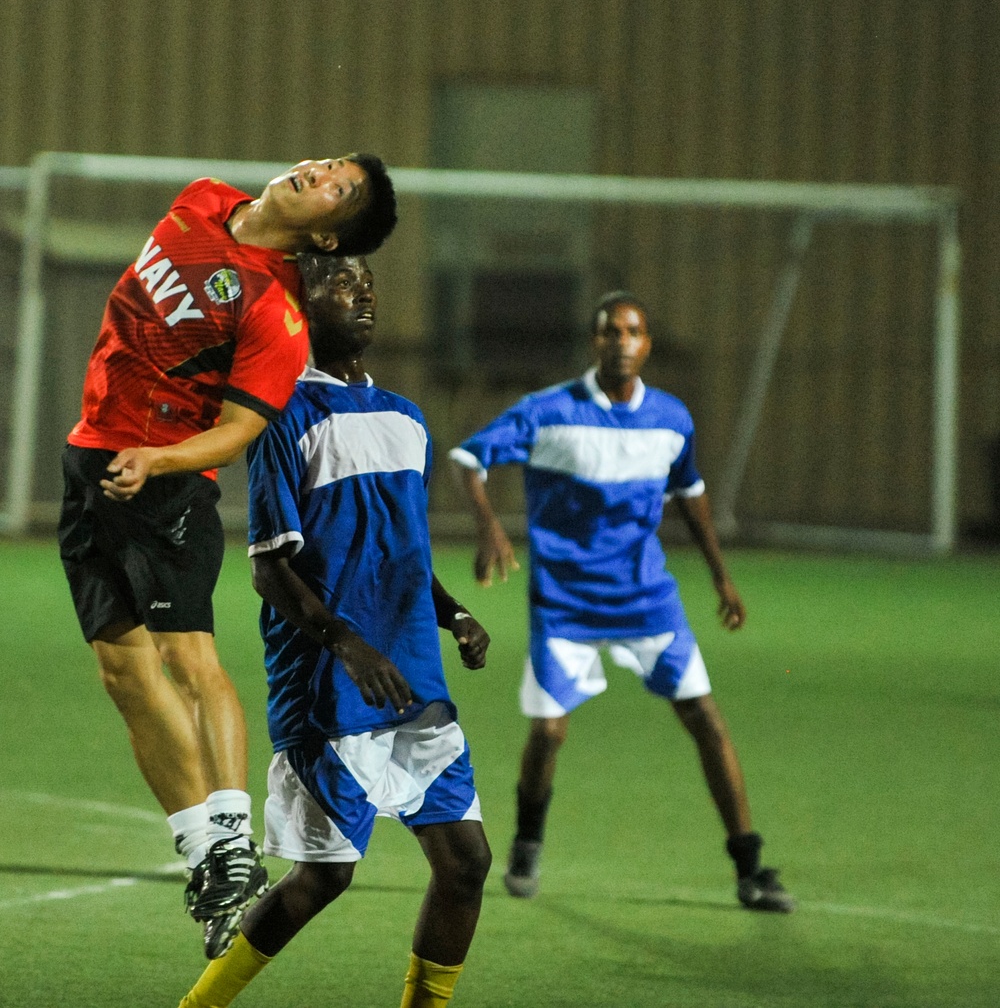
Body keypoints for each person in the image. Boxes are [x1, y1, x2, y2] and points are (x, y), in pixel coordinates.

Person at [57, 156, 398, 957]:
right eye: (329, 163)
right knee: (121, 671)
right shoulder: (203, 200)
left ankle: (236, 837)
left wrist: (159, 460)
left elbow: (241, 431)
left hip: (163, 490)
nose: (316, 170)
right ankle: (208, 856)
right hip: (89, 460)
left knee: (189, 662)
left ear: (323, 231)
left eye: (337, 188)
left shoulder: (275, 313)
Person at [177, 252, 492, 1008]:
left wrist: (453, 614)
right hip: (330, 683)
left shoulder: (407, 418)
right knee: (324, 876)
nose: (363, 296)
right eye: (341, 284)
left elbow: (402, 548)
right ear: (299, 306)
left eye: (369, 284)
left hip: (413, 677)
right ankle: (199, 1006)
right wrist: (347, 646)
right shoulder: (284, 416)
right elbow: (269, 569)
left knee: (465, 861)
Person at [449, 290, 795, 913]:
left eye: (633, 331)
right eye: (610, 331)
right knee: (550, 732)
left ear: (647, 343)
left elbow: (690, 494)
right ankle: (529, 838)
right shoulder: (548, 411)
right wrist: (490, 527)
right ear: (595, 341)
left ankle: (751, 866)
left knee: (706, 720)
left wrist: (721, 577)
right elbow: (468, 459)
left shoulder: (671, 418)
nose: (621, 342)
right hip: (565, 602)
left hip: (646, 599)